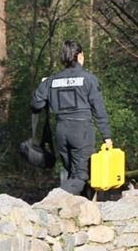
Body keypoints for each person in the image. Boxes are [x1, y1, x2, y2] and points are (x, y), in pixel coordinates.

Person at [29, 40, 112, 197]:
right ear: (80, 56)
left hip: (61, 132)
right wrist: (106, 136)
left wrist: (45, 86)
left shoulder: (51, 81)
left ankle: (80, 212)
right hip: (82, 132)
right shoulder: (88, 79)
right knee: (81, 176)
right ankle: (54, 200)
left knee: (73, 174)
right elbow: (99, 110)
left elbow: (36, 104)